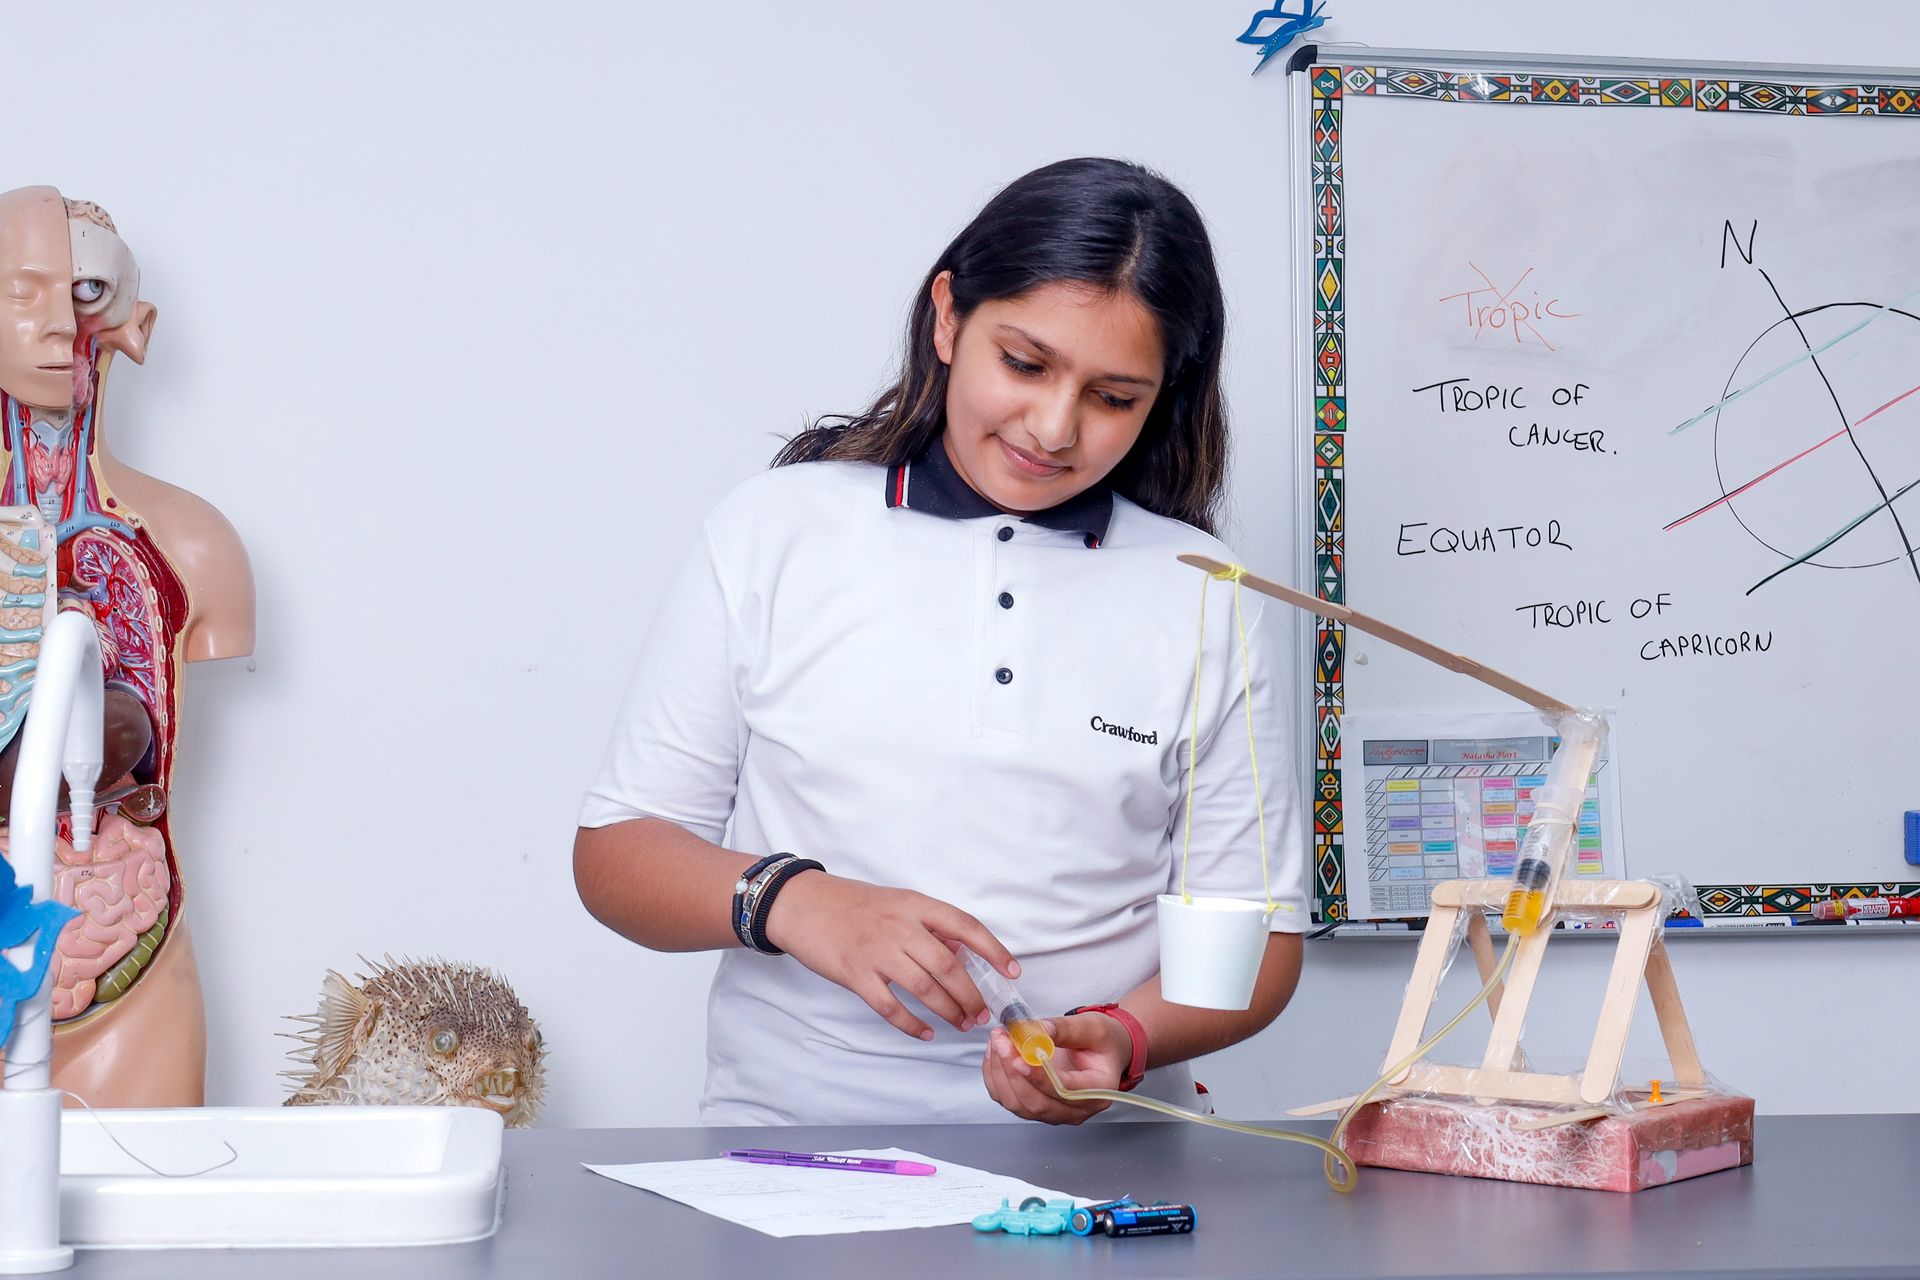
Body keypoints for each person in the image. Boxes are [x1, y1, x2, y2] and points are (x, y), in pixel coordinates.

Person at [576, 157, 1308, 1125]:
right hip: (792, 1160)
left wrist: (1124, 1040)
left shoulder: (1209, 595)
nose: (1055, 427)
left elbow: (1261, 941)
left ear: (1161, 394)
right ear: (949, 315)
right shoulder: (773, 530)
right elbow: (617, 854)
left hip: (1102, 1184)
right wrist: (796, 900)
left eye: (1113, 397)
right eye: (1026, 362)